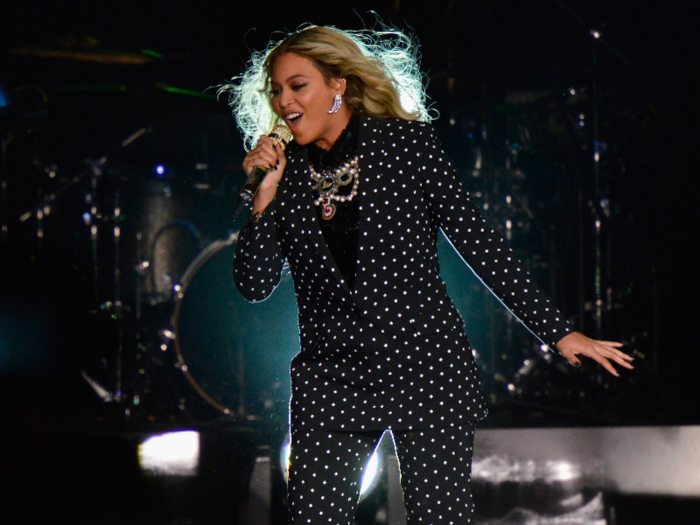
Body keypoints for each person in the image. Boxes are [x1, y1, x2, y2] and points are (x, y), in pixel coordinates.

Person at [221, 25, 633, 525]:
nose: (284, 100)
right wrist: (262, 200)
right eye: (277, 90)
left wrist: (559, 331)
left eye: (297, 85)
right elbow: (254, 284)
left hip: (424, 365)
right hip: (332, 379)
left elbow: (478, 242)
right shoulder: (283, 176)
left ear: (339, 86)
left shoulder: (405, 145)